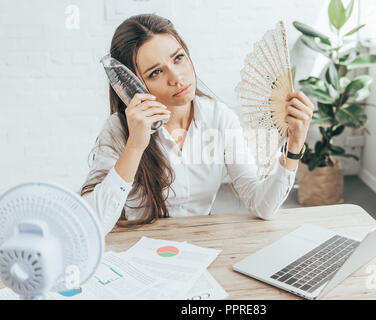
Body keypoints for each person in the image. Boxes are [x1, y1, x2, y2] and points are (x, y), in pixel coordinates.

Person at [80, 13, 314, 236]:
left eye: (178, 58)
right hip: (139, 251)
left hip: (200, 246)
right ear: (133, 87)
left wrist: (294, 146)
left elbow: (262, 205)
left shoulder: (219, 118)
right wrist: (135, 146)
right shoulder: (118, 130)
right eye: (156, 73)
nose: (177, 78)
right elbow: (91, 224)